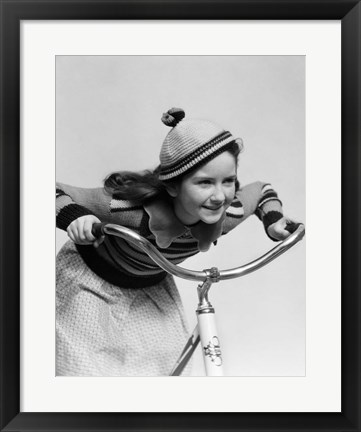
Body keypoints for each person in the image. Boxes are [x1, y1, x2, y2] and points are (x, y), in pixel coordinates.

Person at [56, 107, 298, 376]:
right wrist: (75, 217)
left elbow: (261, 190)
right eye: (205, 183)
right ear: (172, 186)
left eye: (228, 181)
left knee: (166, 368)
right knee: (82, 368)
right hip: (92, 279)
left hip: (151, 285)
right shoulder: (128, 210)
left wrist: (273, 220)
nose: (220, 196)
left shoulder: (227, 214)